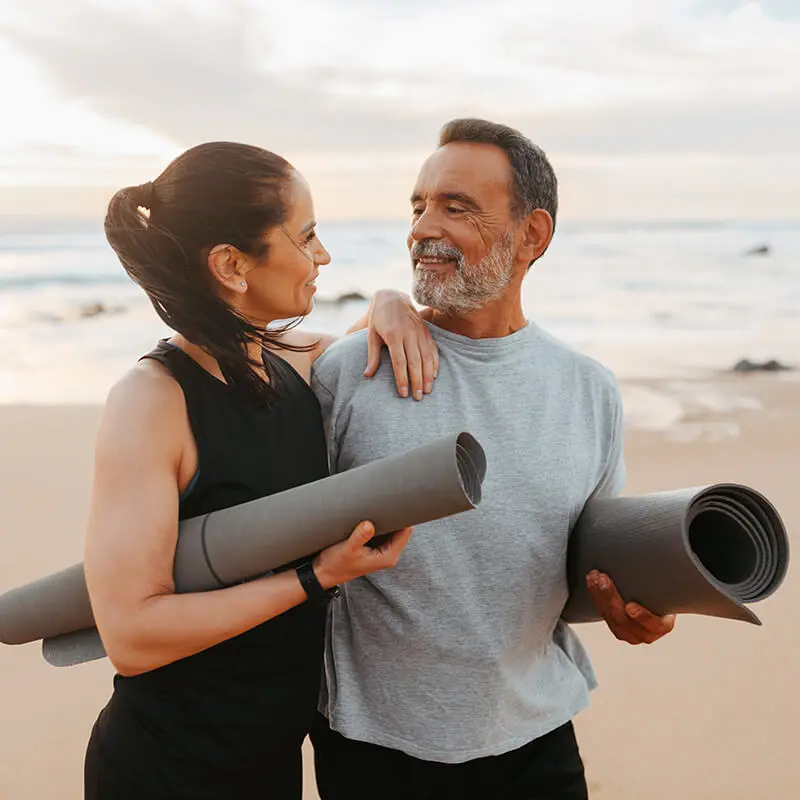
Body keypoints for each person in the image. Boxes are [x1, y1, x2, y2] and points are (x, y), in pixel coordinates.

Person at [310, 119, 677, 799]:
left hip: (536, 742)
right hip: (374, 748)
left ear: (532, 235)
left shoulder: (588, 390)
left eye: (456, 206)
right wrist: (380, 305)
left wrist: (630, 609)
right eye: (417, 206)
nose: (423, 227)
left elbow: (581, 572)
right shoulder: (351, 371)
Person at [82, 141, 438, 799]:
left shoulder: (288, 361)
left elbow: (361, 339)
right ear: (231, 265)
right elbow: (131, 633)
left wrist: (391, 299)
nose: (323, 256)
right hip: (169, 768)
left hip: (272, 762)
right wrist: (316, 577)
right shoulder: (153, 400)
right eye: (306, 237)